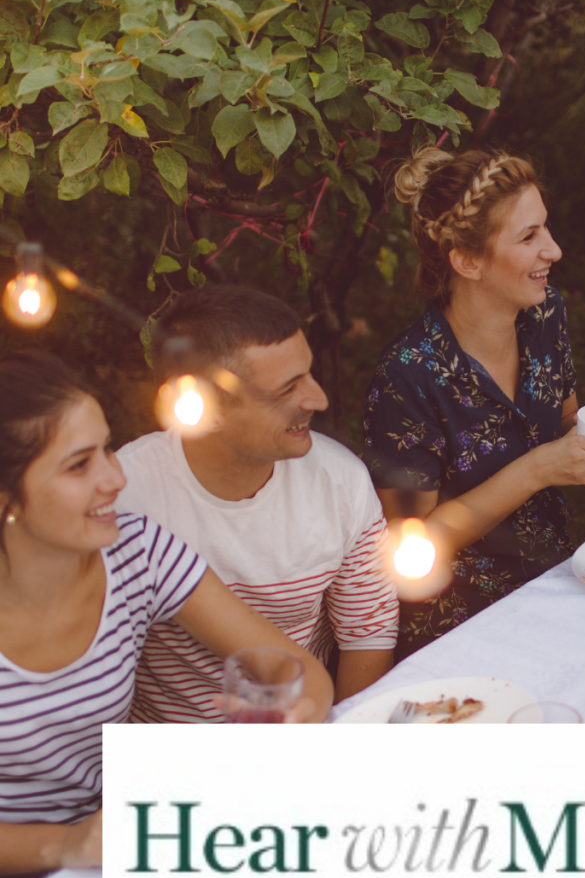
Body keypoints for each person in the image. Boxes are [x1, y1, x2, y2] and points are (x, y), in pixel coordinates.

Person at [0, 351, 332, 878]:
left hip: (114, 841)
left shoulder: (136, 549)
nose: (115, 477)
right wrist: (63, 844)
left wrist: (288, 718)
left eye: (107, 448)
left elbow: (295, 669)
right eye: (79, 465)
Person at [364, 145, 585, 658]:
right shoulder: (407, 376)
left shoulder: (544, 316)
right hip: (458, 617)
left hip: (555, 570)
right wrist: (538, 468)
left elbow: (563, 419)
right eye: (529, 236)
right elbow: (412, 545)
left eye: (546, 228)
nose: (554, 251)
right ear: (468, 261)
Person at [116, 286, 398, 722]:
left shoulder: (341, 481)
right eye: (287, 389)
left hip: (301, 728)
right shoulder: (122, 494)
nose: (317, 399)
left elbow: (369, 631)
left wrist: (339, 743)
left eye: (309, 373)